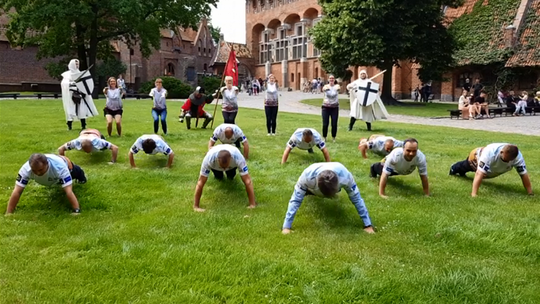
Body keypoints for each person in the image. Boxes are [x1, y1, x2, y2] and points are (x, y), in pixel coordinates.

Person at [281, 162, 375, 234]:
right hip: (311, 185)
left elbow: (357, 199)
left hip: (331, 178)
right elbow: (295, 200)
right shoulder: (307, 176)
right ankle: (309, 192)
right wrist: (286, 227)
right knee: (301, 193)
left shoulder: (346, 177)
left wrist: (368, 224)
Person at [6, 153, 86, 214]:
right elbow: (17, 191)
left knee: (75, 172)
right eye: (34, 170)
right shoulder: (25, 170)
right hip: (53, 168)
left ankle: (81, 175)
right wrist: (9, 213)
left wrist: (76, 210)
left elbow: (69, 191)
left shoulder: (60, 167)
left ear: (47, 164)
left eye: (40, 170)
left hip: (63, 162)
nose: (37, 173)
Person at [449, 143, 533, 197]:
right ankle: (453, 168)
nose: (508, 162)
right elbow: (479, 173)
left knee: (485, 174)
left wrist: (530, 193)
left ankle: (462, 173)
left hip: (492, 167)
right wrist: (474, 194)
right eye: (506, 159)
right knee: (465, 166)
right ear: (501, 152)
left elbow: (523, 174)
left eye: (510, 160)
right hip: (476, 157)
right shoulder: (490, 152)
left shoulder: (518, 157)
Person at [194, 145, 256, 211]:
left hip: (232, 166)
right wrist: (196, 206)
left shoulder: (238, 157)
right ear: (217, 160)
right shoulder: (209, 159)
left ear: (231, 159)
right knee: (219, 177)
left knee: (231, 176)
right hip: (215, 167)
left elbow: (247, 181)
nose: (224, 169)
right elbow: (201, 182)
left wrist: (252, 204)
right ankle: (219, 173)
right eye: (222, 167)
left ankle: (230, 172)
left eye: (226, 166)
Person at [60, 59, 98, 130]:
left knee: (82, 110)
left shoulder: (80, 73)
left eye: (78, 64)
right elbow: (64, 84)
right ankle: (69, 125)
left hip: (80, 94)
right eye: (76, 64)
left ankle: (83, 125)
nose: (77, 65)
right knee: (70, 110)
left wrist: (82, 90)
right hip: (71, 95)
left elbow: (84, 84)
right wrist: (72, 83)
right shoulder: (67, 74)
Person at [321, 75, 341, 142]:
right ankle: (324, 137)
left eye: (332, 78)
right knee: (325, 123)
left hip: (334, 107)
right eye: (330, 78)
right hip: (325, 107)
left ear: (334, 79)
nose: (331, 79)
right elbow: (329, 94)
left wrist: (335, 89)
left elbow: (334, 94)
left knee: (334, 123)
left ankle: (333, 137)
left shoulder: (337, 86)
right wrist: (327, 89)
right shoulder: (325, 86)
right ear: (328, 79)